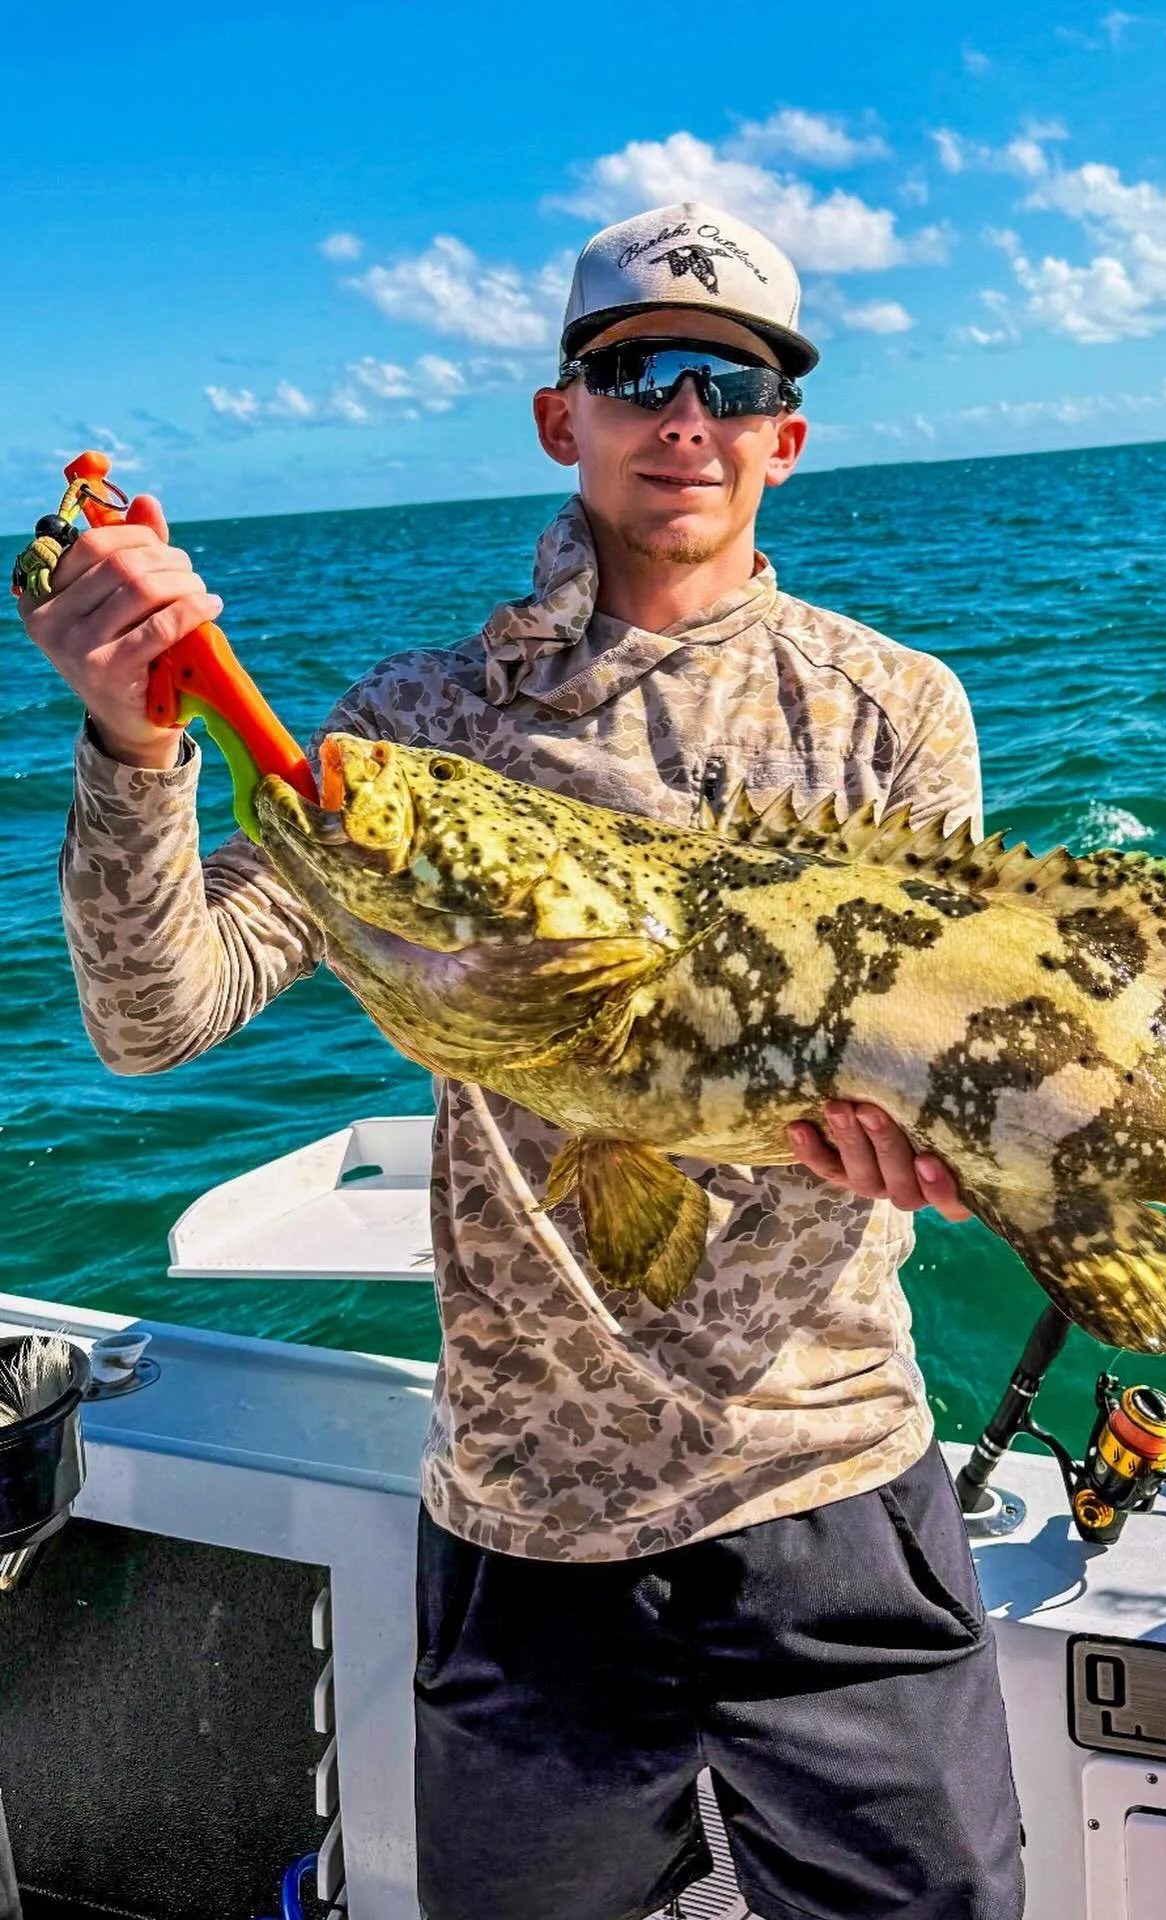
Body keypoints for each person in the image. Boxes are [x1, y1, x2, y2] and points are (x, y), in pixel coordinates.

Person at [22, 201, 1024, 1920]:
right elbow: (155, 1016)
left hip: (832, 1491)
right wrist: (133, 741)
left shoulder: (892, 709)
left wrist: (926, 1141)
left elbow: (928, 1041)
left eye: (731, 380)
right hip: (523, 1525)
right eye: (639, 371)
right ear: (566, 416)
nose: (685, 415)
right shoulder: (411, 729)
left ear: (787, 437)